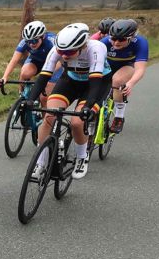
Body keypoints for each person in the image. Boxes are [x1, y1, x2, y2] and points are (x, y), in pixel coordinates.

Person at [25, 23, 112, 180]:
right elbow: (44, 76)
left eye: (70, 52)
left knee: (77, 123)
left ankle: (81, 157)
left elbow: (95, 82)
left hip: (96, 83)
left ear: (83, 45)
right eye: (61, 51)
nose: (64, 55)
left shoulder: (96, 48)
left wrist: (87, 107)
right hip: (70, 80)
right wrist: (30, 100)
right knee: (49, 117)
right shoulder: (57, 49)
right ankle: (41, 163)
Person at [0, 20, 62, 107]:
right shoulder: (24, 42)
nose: (31, 44)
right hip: (36, 61)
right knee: (24, 73)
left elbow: (58, 63)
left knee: (44, 97)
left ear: (43, 36)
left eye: (34, 41)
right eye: (28, 41)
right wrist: (4, 77)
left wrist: (43, 78)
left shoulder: (52, 41)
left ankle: (44, 119)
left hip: (54, 64)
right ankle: (22, 95)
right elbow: (14, 60)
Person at [100, 19, 148, 133]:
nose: (116, 42)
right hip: (109, 65)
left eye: (121, 39)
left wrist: (130, 83)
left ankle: (119, 117)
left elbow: (140, 69)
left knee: (117, 80)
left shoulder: (140, 43)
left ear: (131, 38)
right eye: (113, 38)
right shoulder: (105, 42)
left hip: (128, 65)